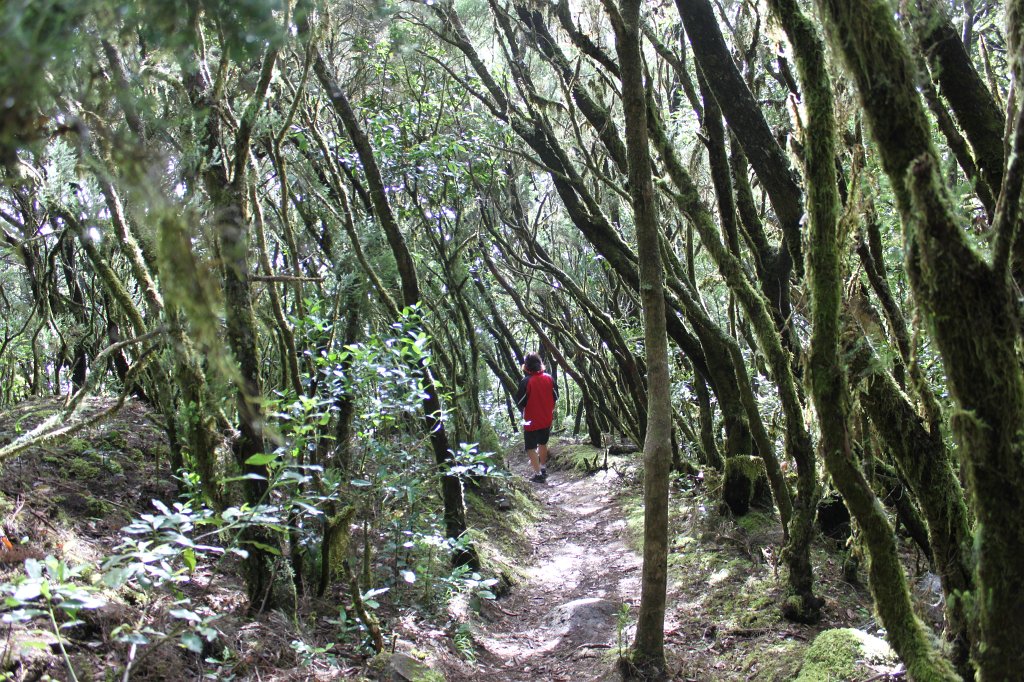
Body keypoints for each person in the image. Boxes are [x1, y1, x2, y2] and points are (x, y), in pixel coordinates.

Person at [514, 352, 558, 482]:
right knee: (543, 443)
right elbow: (555, 396)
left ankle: (538, 474)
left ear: (526, 367)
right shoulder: (549, 378)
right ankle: (543, 468)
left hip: (531, 420)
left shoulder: (526, 382)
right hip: (546, 417)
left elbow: (521, 402)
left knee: (530, 447)